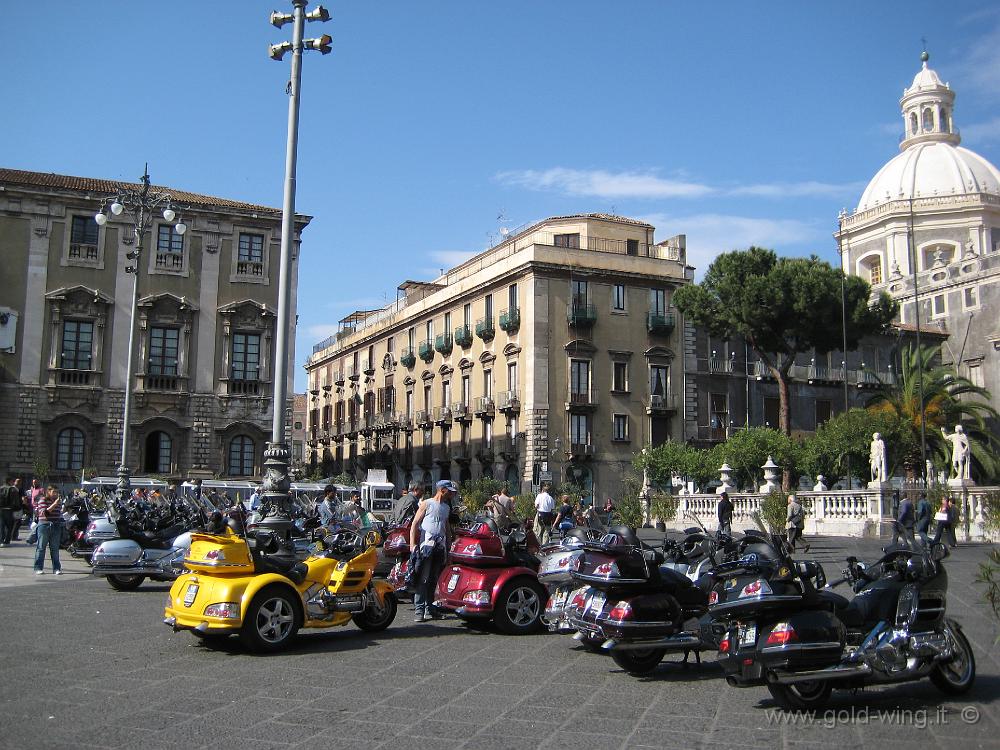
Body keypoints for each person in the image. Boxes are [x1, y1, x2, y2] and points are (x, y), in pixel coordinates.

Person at [409, 480, 456, 622]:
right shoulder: (427, 504)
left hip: (440, 547)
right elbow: (415, 524)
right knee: (423, 578)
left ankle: (429, 609)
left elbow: (447, 529)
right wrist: (412, 545)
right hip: (426, 546)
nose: (452, 494)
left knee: (433, 579)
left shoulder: (446, 508)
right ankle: (419, 611)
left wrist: (449, 549)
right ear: (442, 490)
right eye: (450, 491)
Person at [33, 485, 65, 575]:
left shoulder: (58, 501)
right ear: (48, 492)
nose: (56, 494)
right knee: (41, 548)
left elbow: (59, 513)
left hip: (56, 525)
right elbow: (45, 513)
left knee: (55, 549)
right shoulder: (43, 500)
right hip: (44, 525)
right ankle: (38, 567)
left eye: (57, 492)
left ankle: (56, 568)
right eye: (54, 491)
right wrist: (55, 504)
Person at [0, 476, 22, 546]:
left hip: (1, 509)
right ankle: (7, 541)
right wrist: (18, 508)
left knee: (1, 525)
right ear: (9, 481)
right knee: (9, 526)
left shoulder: (0, 488)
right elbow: (16, 502)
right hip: (9, 510)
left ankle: (1, 540)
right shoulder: (12, 489)